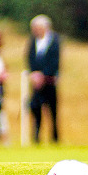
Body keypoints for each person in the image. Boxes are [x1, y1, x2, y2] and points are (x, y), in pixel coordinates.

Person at [27, 14, 61, 143]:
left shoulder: (54, 40)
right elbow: (29, 58)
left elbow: (55, 61)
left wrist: (44, 75)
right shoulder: (33, 41)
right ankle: (36, 137)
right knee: (35, 108)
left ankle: (55, 138)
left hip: (49, 82)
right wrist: (34, 74)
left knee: (52, 110)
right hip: (36, 83)